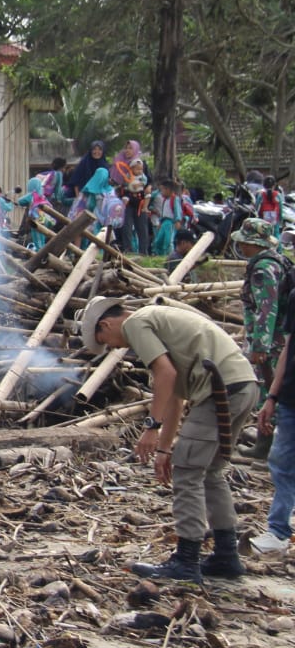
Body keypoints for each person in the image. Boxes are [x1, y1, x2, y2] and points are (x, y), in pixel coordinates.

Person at [78, 296, 258, 583]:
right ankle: (227, 556)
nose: (114, 347)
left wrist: (151, 427)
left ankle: (186, 561)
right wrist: (163, 448)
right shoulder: (159, 327)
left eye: (106, 340)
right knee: (210, 472)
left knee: (187, 473)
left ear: (106, 323)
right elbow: (174, 396)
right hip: (243, 385)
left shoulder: (137, 322)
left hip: (219, 390)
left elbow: (166, 375)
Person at [232, 219, 290, 460]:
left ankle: (270, 451)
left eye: (244, 242)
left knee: (270, 392)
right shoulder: (278, 261)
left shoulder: (263, 268)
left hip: (273, 341)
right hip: (279, 337)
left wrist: (260, 346)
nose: (241, 247)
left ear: (251, 244)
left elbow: (267, 308)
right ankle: (267, 448)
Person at [251, 271, 295, 555]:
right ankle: (278, 531)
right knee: (281, 463)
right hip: (291, 397)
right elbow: (288, 349)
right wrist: (272, 396)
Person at [17, 177, 50, 250]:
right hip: (45, 220)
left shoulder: (32, 194)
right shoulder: (43, 196)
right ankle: (42, 251)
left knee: (36, 238)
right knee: (42, 237)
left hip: (36, 220)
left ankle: (38, 253)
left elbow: (20, 201)